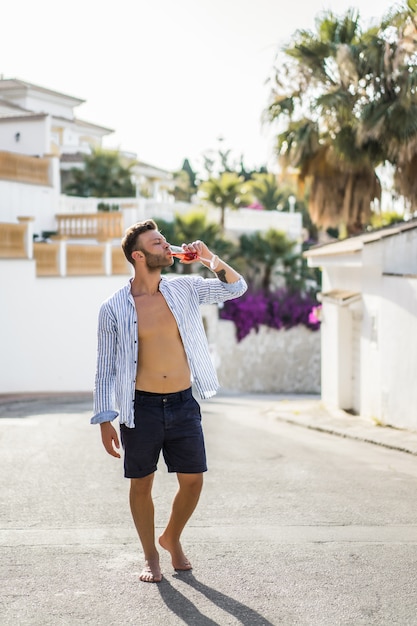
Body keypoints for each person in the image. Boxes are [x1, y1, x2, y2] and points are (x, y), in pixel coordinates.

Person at [91, 219, 247, 583]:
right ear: (139, 256)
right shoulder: (113, 307)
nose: (168, 246)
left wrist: (209, 258)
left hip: (182, 402)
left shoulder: (186, 288)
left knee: (193, 480)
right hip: (140, 407)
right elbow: (104, 368)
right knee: (141, 483)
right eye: (158, 243)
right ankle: (150, 557)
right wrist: (104, 419)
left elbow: (236, 288)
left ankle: (171, 536)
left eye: (165, 240)